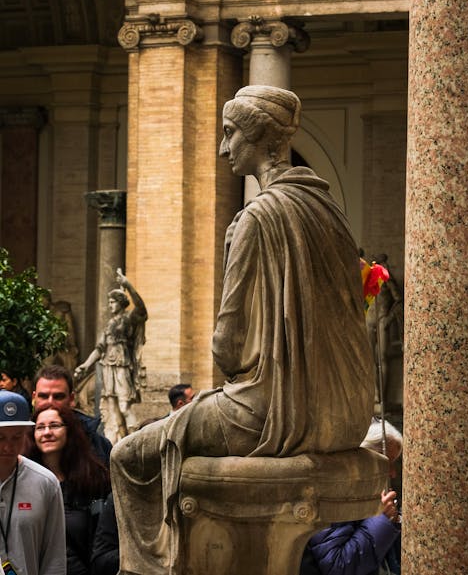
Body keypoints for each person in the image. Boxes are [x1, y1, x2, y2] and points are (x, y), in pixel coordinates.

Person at [111, 85, 374, 575]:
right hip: (344, 412)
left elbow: (228, 350)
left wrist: (235, 253)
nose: (222, 147)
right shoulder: (328, 211)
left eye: (230, 134)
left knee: (129, 456)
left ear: (263, 140)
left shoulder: (258, 217)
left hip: (272, 411)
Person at [300, 419, 403, 575]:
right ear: (365, 460)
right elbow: (338, 565)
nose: (393, 473)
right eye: (386, 463)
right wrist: (381, 519)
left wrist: (393, 520)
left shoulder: (367, 493)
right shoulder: (333, 493)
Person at [26, 402, 111, 575]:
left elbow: (101, 536)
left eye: (55, 425)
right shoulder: (23, 482)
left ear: (69, 431)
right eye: (40, 428)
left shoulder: (94, 479)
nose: (47, 432)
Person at [74, 269, 148, 444]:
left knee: (124, 406)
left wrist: (127, 285)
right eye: (109, 302)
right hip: (108, 365)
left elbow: (141, 308)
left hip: (122, 364)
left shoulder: (129, 319)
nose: (110, 305)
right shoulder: (109, 325)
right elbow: (100, 349)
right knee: (111, 409)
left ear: (121, 303)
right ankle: (115, 445)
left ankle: (136, 441)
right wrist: (85, 365)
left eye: (113, 301)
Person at [0, 389, 66, 575]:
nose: (8, 446)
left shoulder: (45, 483)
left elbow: (55, 558)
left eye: (17, 437)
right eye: (0, 437)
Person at [33, 364, 112, 464]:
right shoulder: (20, 441)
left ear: (71, 399)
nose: (50, 403)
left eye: (58, 397)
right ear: (34, 398)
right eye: (44, 396)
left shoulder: (98, 445)